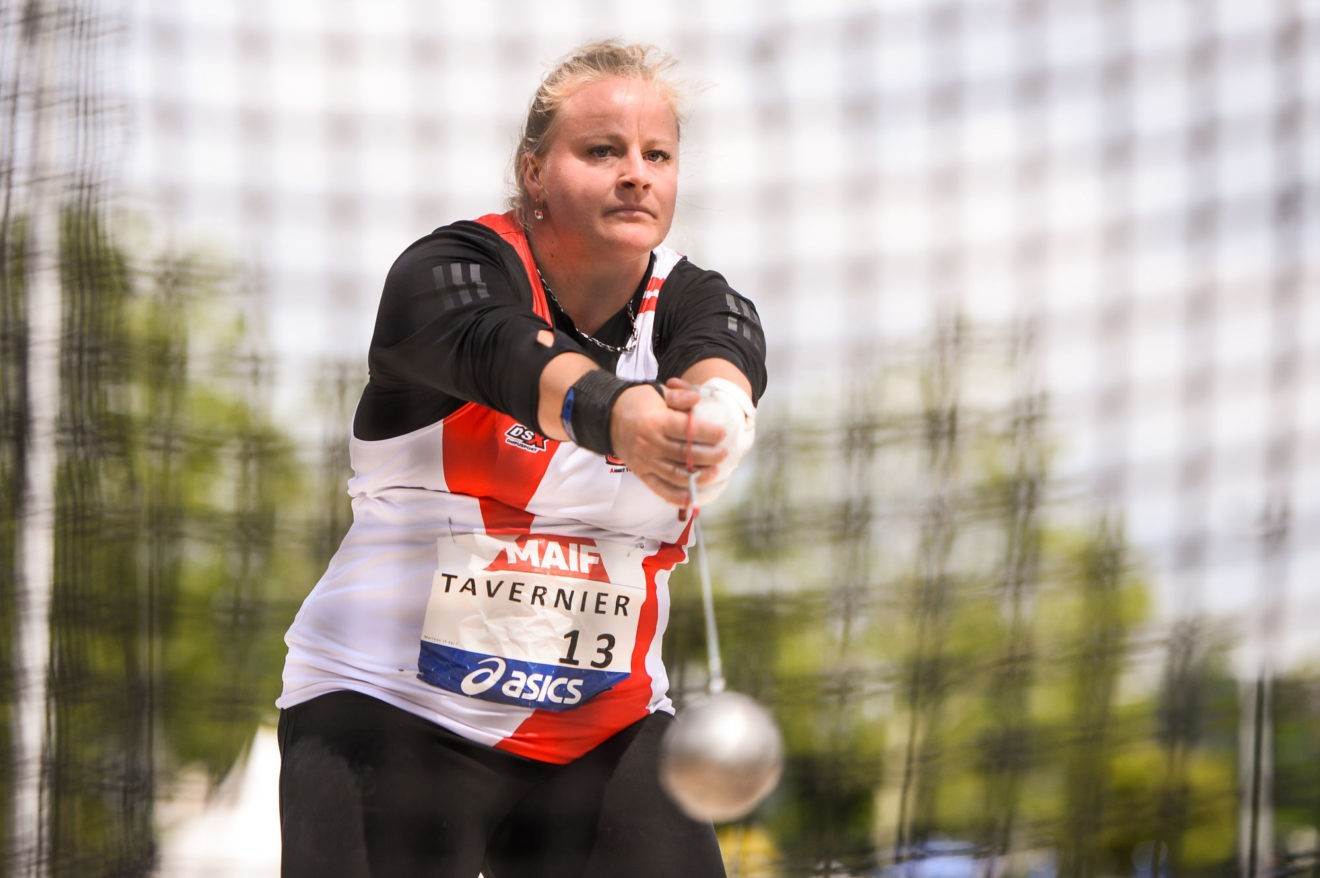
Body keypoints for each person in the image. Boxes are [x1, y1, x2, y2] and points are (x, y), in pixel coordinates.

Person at [276, 40, 767, 878]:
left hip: (601, 729)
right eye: (602, 150)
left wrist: (718, 423)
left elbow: (727, 358)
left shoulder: (696, 298)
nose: (636, 175)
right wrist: (620, 418)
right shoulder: (447, 272)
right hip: (390, 710)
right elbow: (503, 352)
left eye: (658, 155)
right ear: (533, 171)